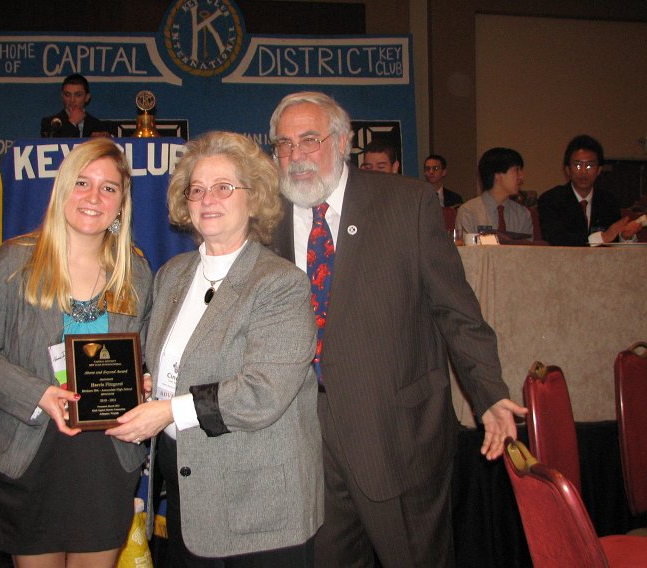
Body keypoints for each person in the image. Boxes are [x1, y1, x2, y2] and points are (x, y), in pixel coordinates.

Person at [268, 91, 526, 568]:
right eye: (283, 144)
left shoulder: (407, 203)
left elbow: (457, 311)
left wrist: (488, 393)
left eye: (309, 139)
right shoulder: (267, 220)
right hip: (306, 443)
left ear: (343, 142)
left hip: (398, 437)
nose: (295, 156)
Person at [107, 131, 322, 567]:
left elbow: (262, 394)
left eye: (224, 187)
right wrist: (151, 384)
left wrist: (167, 411)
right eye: (197, 189)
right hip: (189, 489)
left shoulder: (280, 283)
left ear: (253, 197)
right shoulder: (172, 275)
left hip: (260, 505)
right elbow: (171, 363)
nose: (208, 199)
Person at [0, 138, 153, 568]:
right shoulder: (15, 262)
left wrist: (143, 377)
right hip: (30, 447)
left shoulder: (135, 272)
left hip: (107, 454)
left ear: (122, 204)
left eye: (109, 188)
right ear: (63, 189)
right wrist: (38, 393)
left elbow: (143, 356)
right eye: (82, 182)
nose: (94, 197)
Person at [537, 134, 641, 246]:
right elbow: (556, 238)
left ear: (599, 170)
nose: (583, 172)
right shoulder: (551, 199)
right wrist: (602, 238)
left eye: (589, 166)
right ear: (567, 169)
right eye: (578, 165)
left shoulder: (608, 201)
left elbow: (614, 239)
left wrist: (625, 236)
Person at [456, 147, 533, 240]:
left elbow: (528, 252)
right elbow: (467, 252)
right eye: (516, 170)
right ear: (497, 175)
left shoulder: (522, 214)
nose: (521, 176)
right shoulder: (469, 212)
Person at [40, 73, 111, 138]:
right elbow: (51, 147)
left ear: (87, 97)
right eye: (67, 95)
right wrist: (72, 123)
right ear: (62, 96)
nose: (72, 100)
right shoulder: (51, 123)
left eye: (78, 95)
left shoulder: (98, 126)